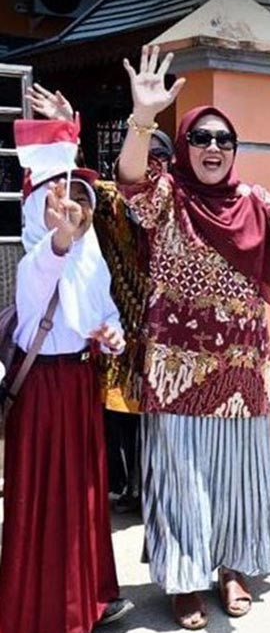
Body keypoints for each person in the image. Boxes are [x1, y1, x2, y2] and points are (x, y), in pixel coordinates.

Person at [115, 45, 270, 629]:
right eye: (201, 138)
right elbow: (129, 181)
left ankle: (231, 569)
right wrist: (142, 117)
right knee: (179, 478)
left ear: (234, 151)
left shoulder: (254, 201)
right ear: (185, 147)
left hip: (242, 371)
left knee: (234, 479)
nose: (211, 148)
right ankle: (183, 579)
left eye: (222, 141)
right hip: (176, 370)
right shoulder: (167, 196)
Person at [1, 116, 132, 633]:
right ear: (38, 211)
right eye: (58, 200)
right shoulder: (39, 259)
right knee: (48, 502)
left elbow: (105, 318)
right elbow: (46, 268)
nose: (72, 209)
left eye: (79, 199)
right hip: (45, 394)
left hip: (81, 384)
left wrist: (112, 335)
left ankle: (90, 598)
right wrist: (58, 234)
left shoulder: (90, 260)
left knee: (83, 496)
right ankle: (48, 622)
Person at [23, 83, 172, 512]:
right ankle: (126, 486)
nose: (153, 168)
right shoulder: (110, 199)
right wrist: (65, 131)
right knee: (120, 414)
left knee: (155, 418)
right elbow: (73, 190)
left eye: (161, 160)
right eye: (148, 158)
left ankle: (153, 491)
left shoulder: (178, 204)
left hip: (158, 329)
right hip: (113, 326)